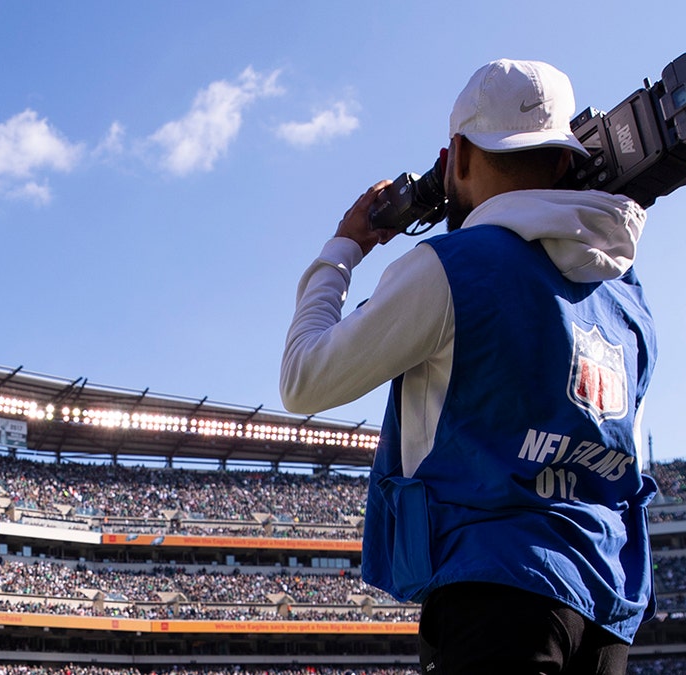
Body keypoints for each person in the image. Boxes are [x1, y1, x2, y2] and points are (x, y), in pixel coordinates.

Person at [281, 58, 656, 674]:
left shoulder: (453, 264)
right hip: (607, 606)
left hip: (495, 594)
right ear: (563, 158)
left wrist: (342, 249)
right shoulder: (628, 294)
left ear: (456, 152)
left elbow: (303, 379)